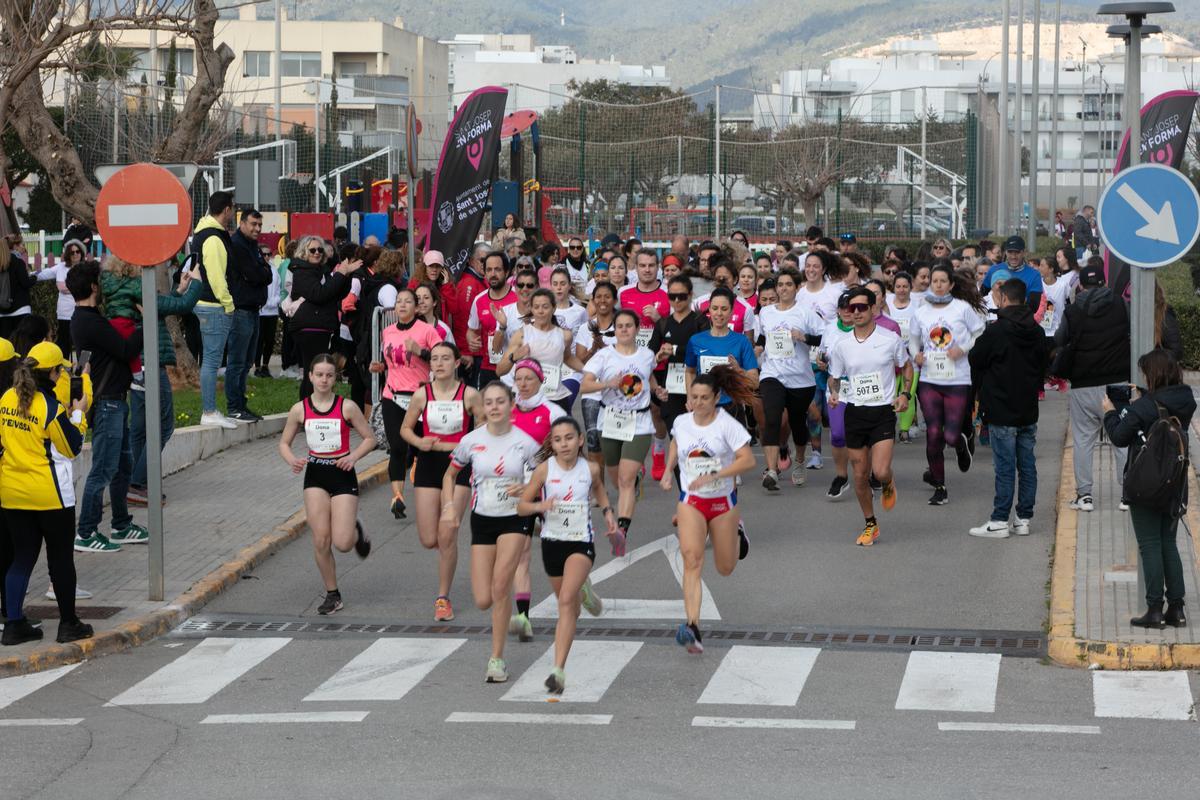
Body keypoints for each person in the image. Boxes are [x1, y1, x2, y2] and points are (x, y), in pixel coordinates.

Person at [442, 382, 540, 683]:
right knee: (483, 598)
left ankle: (496, 659)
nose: (495, 407)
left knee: (500, 587)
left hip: (515, 518)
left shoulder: (526, 443)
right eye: (489, 402)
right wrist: (448, 505)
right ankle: (501, 612)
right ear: (482, 407)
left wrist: (527, 487)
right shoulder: (471, 441)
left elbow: (544, 476)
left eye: (501, 401)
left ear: (512, 404)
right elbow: (450, 474)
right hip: (482, 518)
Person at [0, 342, 93, 646]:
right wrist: (78, 415)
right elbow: (72, 447)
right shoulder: (50, 409)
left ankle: (14, 625)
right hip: (51, 497)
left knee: (21, 559)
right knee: (60, 560)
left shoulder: (5, 399)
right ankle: (68, 624)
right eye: (61, 370)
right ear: (53, 373)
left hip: (12, 494)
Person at [659, 367, 757, 654]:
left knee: (725, 568)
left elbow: (748, 460)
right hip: (691, 500)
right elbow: (676, 443)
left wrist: (717, 475)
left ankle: (738, 532)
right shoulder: (681, 421)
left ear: (716, 398)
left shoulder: (727, 425)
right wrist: (667, 470)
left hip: (722, 502)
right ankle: (692, 626)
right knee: (692, 560)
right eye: (694, 397)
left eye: (704, 398)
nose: (698, 403)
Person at [1103, 349, 1196, 628]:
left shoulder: (1143, 408)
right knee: (1169, 542)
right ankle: (1176, 609)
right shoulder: (1186, 400)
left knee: (1150, 545)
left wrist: (1110, 413)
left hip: (1145, 483)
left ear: (1153, 375)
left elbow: (1120, 436)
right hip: (1174, 480)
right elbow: (1162, 404)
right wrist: (1145, 393)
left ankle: (1154, 609)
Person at [517, 417, 610, 693]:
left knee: (566, 602)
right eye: (557, 440)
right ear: (552, 444)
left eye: (569, 438)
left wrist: (608, 514)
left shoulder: (591, 469)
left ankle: (558, 670)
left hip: (581, 543)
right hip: (552, 543)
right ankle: (586, 592)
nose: (564, 444)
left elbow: (601, 494)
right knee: (569, 602)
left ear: (580, 440)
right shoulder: (544, 471)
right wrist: (540, 506)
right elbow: (521, 506)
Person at [277, 354, 375, 615]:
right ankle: (333, 594)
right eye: (318, 374)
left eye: (329, 375)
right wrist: (292, 461)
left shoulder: (347, 407)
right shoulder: (300, 409)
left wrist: (352, 457)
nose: (323, 379)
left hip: (342, 474)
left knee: (342, 543)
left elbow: (369, 438)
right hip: (315, 476)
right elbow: (284, 443)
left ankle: (356, 530)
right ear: (309, 376)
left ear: (335, 378)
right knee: (321, 540)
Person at [68, 262, 147, 553]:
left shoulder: (84, 318)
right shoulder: (91, 322)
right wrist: (146, 322)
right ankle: (86, 532)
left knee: (121, 467)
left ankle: (121, 525)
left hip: (114, 401)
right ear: (93, 288)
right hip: (108, 404)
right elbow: (125, 350)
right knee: (103, 469)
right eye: (100, 282)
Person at [400, 341, 481, 622]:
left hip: (458, 467)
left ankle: (443, 598)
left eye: (446, 358)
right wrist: (420, 441)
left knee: (447, 534)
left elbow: (483, 431)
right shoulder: (422, 395)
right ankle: (447, 552)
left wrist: (463, 445)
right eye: (434, 359)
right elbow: (405, 429)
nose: (439, 363)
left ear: (457, 363)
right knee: (428, 539)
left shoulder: (470, 395)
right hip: (428, 464)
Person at [827, 286, 911, 546]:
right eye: (852, 308)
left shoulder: (890, 339)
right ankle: (870, 524)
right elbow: (835, 376)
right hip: (855, 412)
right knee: (860, 476)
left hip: (883, 411)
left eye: (862, 307)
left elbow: (906, 366)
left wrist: (905, 394)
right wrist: (834, 392)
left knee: (880, 470)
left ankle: (887, 481)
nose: (857, 312)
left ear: (873, 309)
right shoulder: (842, 345)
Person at [967, 280, 1052, 538]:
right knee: (1027, 465)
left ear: (1003, 299)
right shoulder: (1036, 332)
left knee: (1004, 467)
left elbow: (975, 358)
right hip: (1028, 409)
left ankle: (999, 520)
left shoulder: (997, 331)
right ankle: (1023, 519)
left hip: (1001, 409)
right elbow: (1043, 366)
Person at [580, 308, 664, 557]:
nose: (624, 330)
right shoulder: (604, 356)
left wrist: (657, 391)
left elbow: (648, 378)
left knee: (626, 480)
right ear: (614, 330)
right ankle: (633, 483)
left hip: (638, 423)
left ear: (637, 329)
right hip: (611, 421)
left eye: (629, 325)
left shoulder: (647, 355)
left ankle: (622, 531)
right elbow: (585, 386)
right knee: (618, 482)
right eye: (620, 326)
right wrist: (608, 383)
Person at [1053, 262, 1130, 512]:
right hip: (1118, 382)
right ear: (1105, 283)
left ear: (1081, 286)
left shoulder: (1073, 311)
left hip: (1083, 385)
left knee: (1084, 439)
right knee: (1122, 438)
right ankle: (1127, 494)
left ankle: (1085, 496)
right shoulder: (1121, 304)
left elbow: (1060, 339)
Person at [128, 262, 204, 506]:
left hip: (136, 365)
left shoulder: (124, 293)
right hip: (151, 365)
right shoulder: (139, 292)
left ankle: (135, 485)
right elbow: (181, 307)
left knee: (139, 429)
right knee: (164, 425)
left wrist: (179, 289)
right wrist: (198, 283)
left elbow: (163, 306)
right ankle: (138, 482)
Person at [910, 263, 986, 506]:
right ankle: (940, 486)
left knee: (951, 436)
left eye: (943, 281)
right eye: (935, 281)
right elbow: (913, 340)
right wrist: (916, 355)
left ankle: (962, 445)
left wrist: (962, 348)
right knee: (933, 433)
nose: (939, 285)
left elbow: (979, 331)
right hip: (929, 379)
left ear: (951, 284)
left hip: (957, 379)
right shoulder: (921, 311)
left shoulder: (962, 308)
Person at [369, 287, 443, 520]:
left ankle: (428, 494)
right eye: (398, 301)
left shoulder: (427, 331)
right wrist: (379, 366)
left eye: (407, 302)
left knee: (423, 447)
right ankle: (397, 497)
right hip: (392, 395)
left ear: (416, 307)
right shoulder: (388, 331)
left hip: (419, 397)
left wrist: (420, 351)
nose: (402, 305)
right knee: (398, 447)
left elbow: (444, 360)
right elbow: (391, 360)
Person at [757, 268, 825, 491]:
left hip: (800, 379)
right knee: (772, 417)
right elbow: (762, 336)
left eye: (788, 284)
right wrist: (757, 347)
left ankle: (799, 460)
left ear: (797, 288)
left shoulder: (805, 312)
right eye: (780, 284)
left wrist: (804, 337)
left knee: (797, 422)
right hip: (772, 374)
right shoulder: (766, 313)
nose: (783, 288)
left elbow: (825, 338)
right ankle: (772, 470)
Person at [620, 250, 672, 479]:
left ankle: (658, 453)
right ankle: (637, 456)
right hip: (632, 362)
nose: (647, 269)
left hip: (659, 362)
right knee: (633, 411)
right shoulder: (625, 294)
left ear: (657, 267)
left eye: (651, 265)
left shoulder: (666, 295)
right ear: (636, 268)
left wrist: (658, 319)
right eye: (643, 265)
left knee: (656, 411)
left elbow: (672, 329)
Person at [287, 236, 359, 399]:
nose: (317, 253)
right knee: (313, 371)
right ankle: (308, 410)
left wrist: (346, 274)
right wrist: (340, 274)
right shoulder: (301, 271)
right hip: (309, 327)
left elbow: (335, 293)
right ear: (304, 252)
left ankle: (314, 409)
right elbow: (319, 294)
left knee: (317, 370)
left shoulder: (323, 270)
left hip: (321, 326)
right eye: (312, 250)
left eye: (320, 249)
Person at [190, 191, 239, 429]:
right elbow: (217, 275)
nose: (234, 211)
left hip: (207, 303)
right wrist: (228, 303)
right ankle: (209, 411)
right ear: (227, 210)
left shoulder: (204, 232)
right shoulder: (214, 238)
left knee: (210, 360)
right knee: (211, 361)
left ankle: (211, 410)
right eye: (233, 208)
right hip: (214, 305)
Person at [225, 209, 272, 421]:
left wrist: (261, 271)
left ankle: (241, 404)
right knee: (237, 361)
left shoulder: (252, 246)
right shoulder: (237, 245)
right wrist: (261, 271)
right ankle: (234, 406)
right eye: (253, 224)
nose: (257, 229)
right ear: (242, 222)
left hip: (254, 309)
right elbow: (254, 274)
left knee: (247, 361)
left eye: (259, 225)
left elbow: (267, 274)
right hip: (241, 309)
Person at [467, 251, 518, 388]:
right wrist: (471, 340)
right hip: (488, 367)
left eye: (498, 269)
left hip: (515, 368)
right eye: (489, 270)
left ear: (507, 272)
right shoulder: (479, 300)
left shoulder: (518, 297)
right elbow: (472, 330)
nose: (493, 274)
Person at [982, 236, 1043, 311]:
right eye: (1010, 252)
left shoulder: (1034, 275)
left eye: (1017, 252)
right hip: (994, 317)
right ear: (1005, 252)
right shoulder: (994, 270)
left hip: (1020, 320)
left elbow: (1034, 307)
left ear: (1024, 252)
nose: (1013, 256)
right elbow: (981, 296)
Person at [255, 239, 282, 379]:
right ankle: (257, 366)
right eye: (263, 254)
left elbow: (278, 290)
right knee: (258, 340)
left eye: (268, 254)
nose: (266, 257)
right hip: (259, 311)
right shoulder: (255, 268)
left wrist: (274, 301)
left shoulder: (274, 270)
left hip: (272, 311)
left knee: (269, 340)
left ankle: (266, 365)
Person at [0, 238, 35, 339]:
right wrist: (34, 278)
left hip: (2, 310)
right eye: (22, 245)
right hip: (21, 308)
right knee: (22, 344)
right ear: (14, 246)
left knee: (5, 347)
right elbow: (25, 283)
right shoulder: (17, 261)